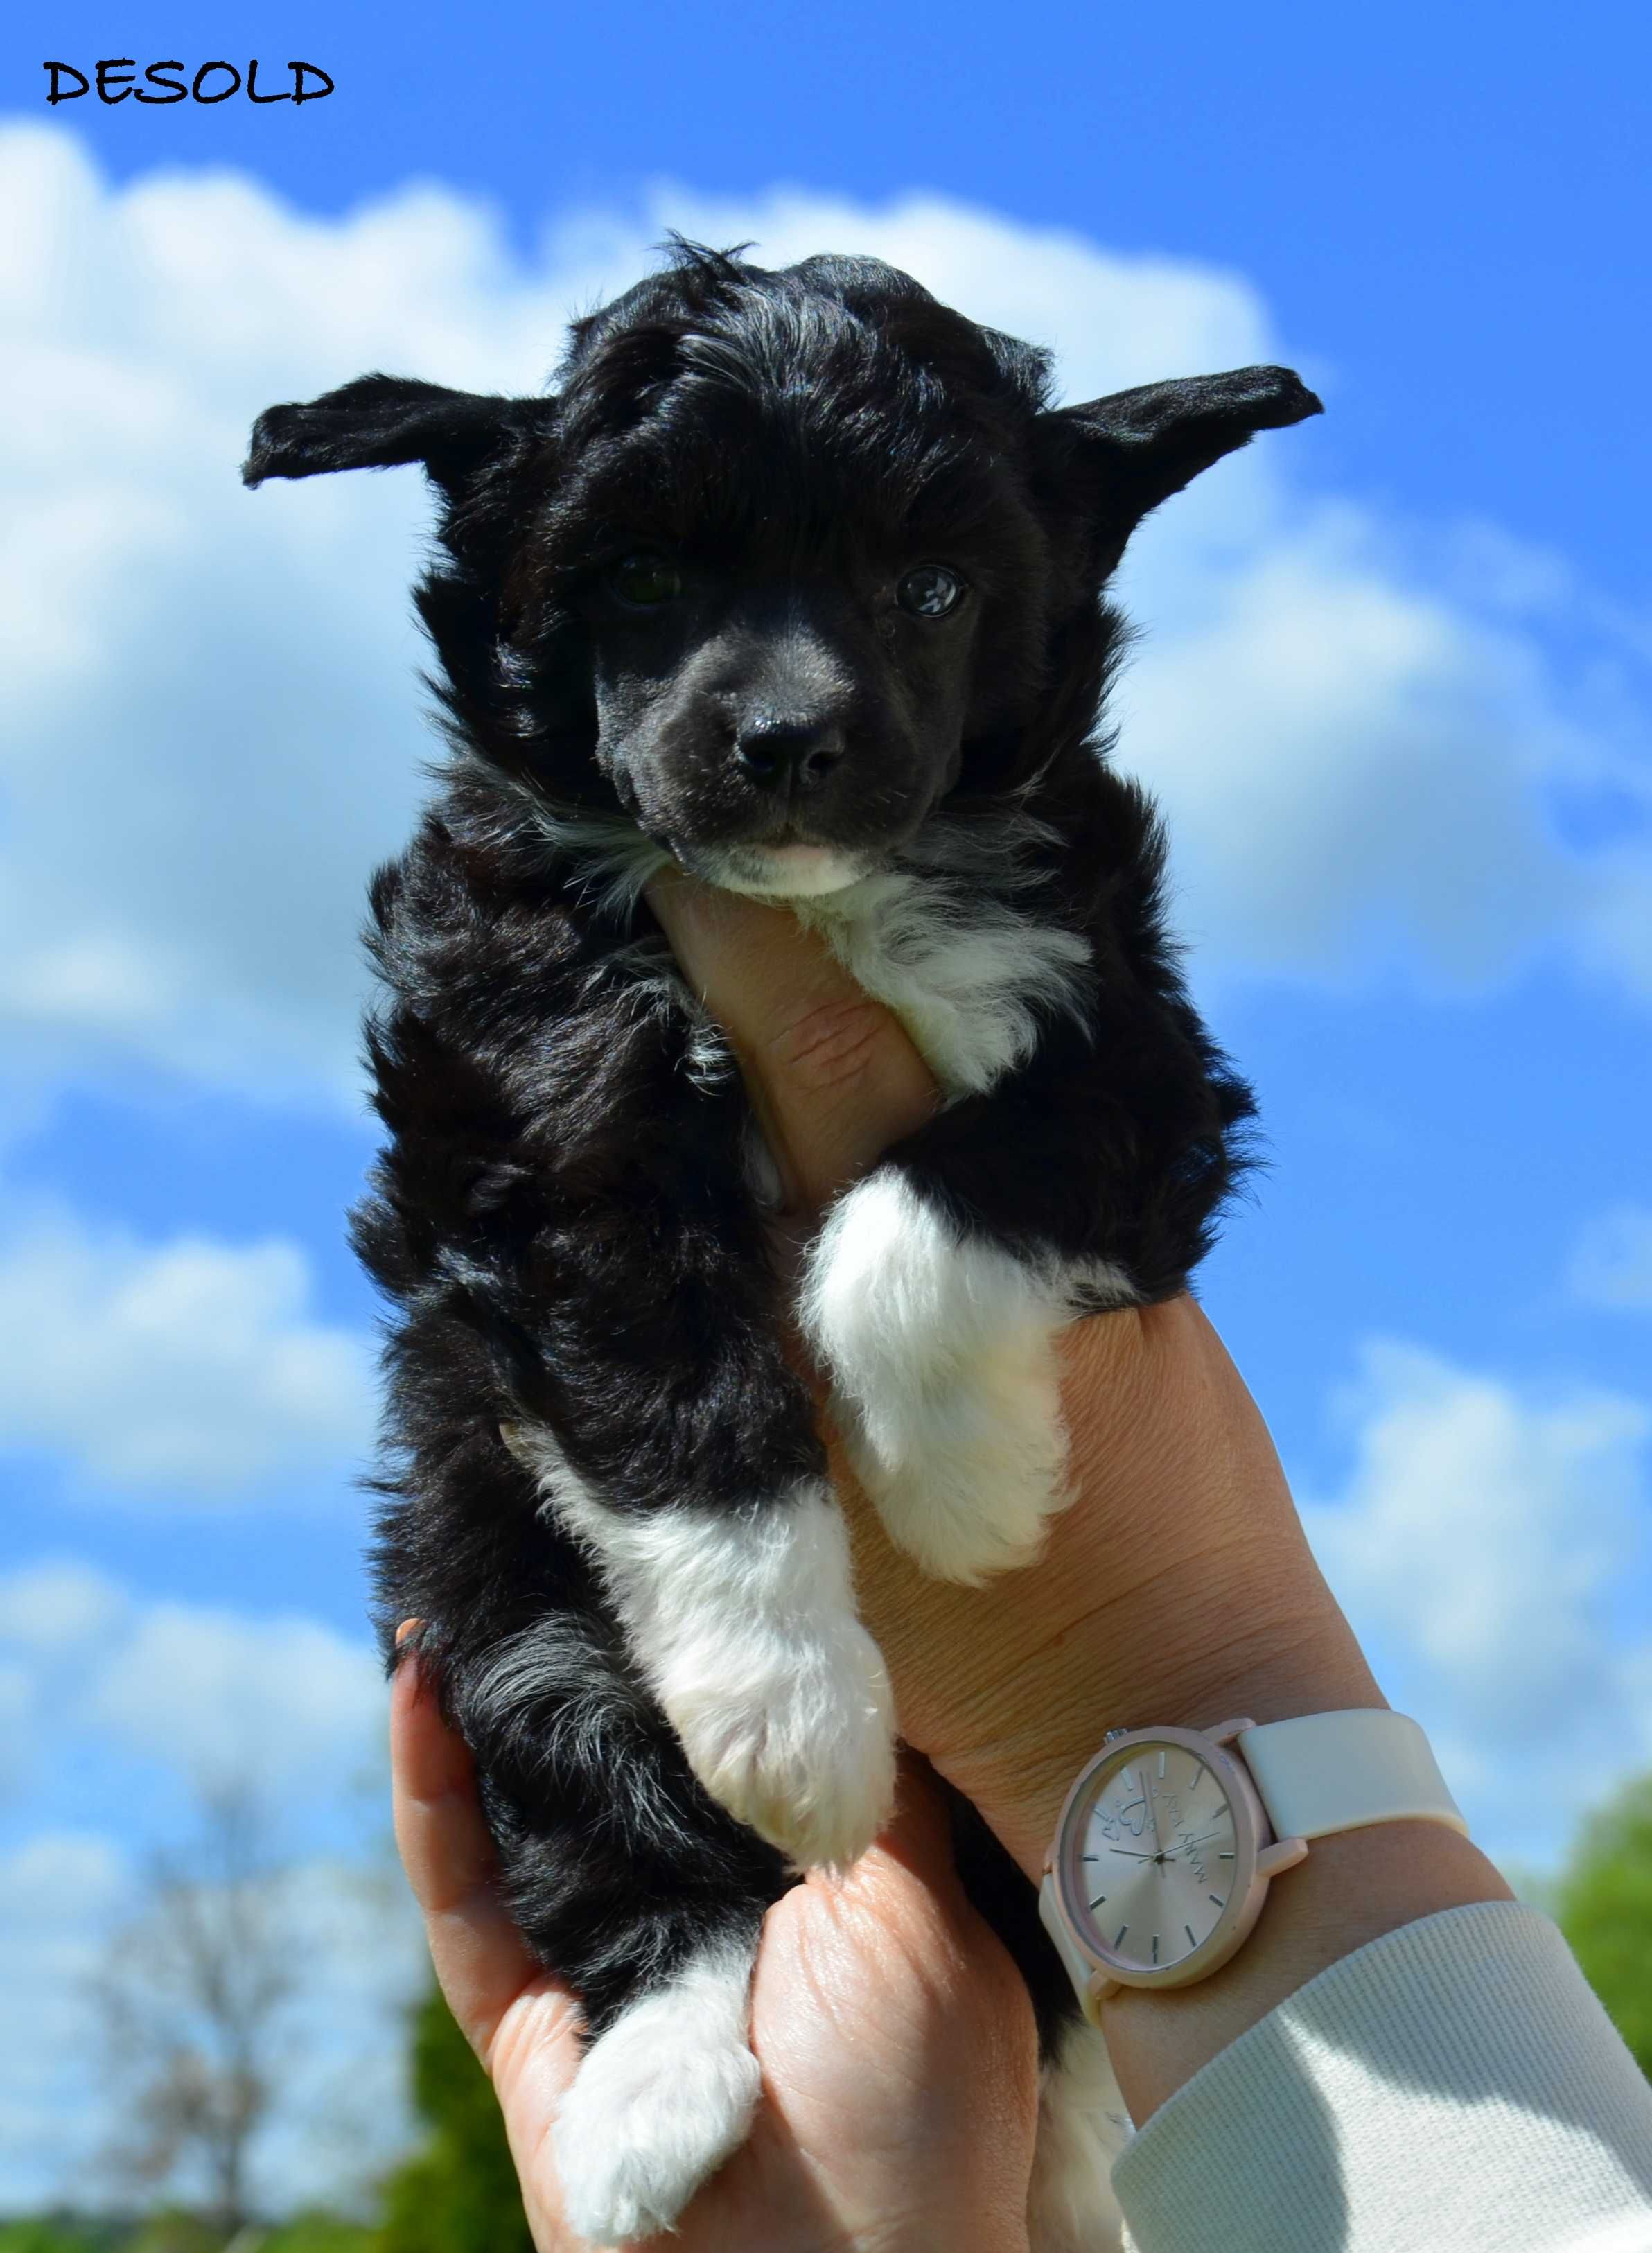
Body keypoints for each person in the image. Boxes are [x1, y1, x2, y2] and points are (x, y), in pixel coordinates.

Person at [389, 872, 1652, 2252]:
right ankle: (666, 1960)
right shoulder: (516, 937)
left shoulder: (1040, 885)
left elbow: (1151, 1118)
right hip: (710, 1809)